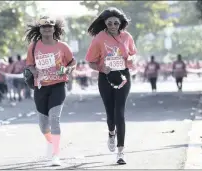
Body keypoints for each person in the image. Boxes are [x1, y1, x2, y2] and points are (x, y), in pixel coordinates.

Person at [85, 7, 137, 165]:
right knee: (110, 113)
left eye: (116, 23)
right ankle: (111, 133)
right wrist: (101, 68)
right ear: (105, 23)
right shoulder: (99, 38)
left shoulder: (126, 37)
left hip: (123, 76)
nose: (113, 25)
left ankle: (121, 152)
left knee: (119, 112)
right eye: (109, 23)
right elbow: (91, 62)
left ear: (121, 23)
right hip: (105, 77)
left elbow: (134, 54)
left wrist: (131, 60)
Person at [25, 16, 76, 166]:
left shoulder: (62, 46)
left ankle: (55, 153)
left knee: (54, 118)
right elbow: (30, 64)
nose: (47, 28)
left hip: (58, 86)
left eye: (49, 26)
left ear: (55, 29)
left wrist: (67, 69)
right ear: (39, 29)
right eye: (44, 26)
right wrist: (34, 71)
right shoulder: (33, 46)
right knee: (43, 125)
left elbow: (73, 63)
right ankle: (52, 142)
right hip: (40, 87)